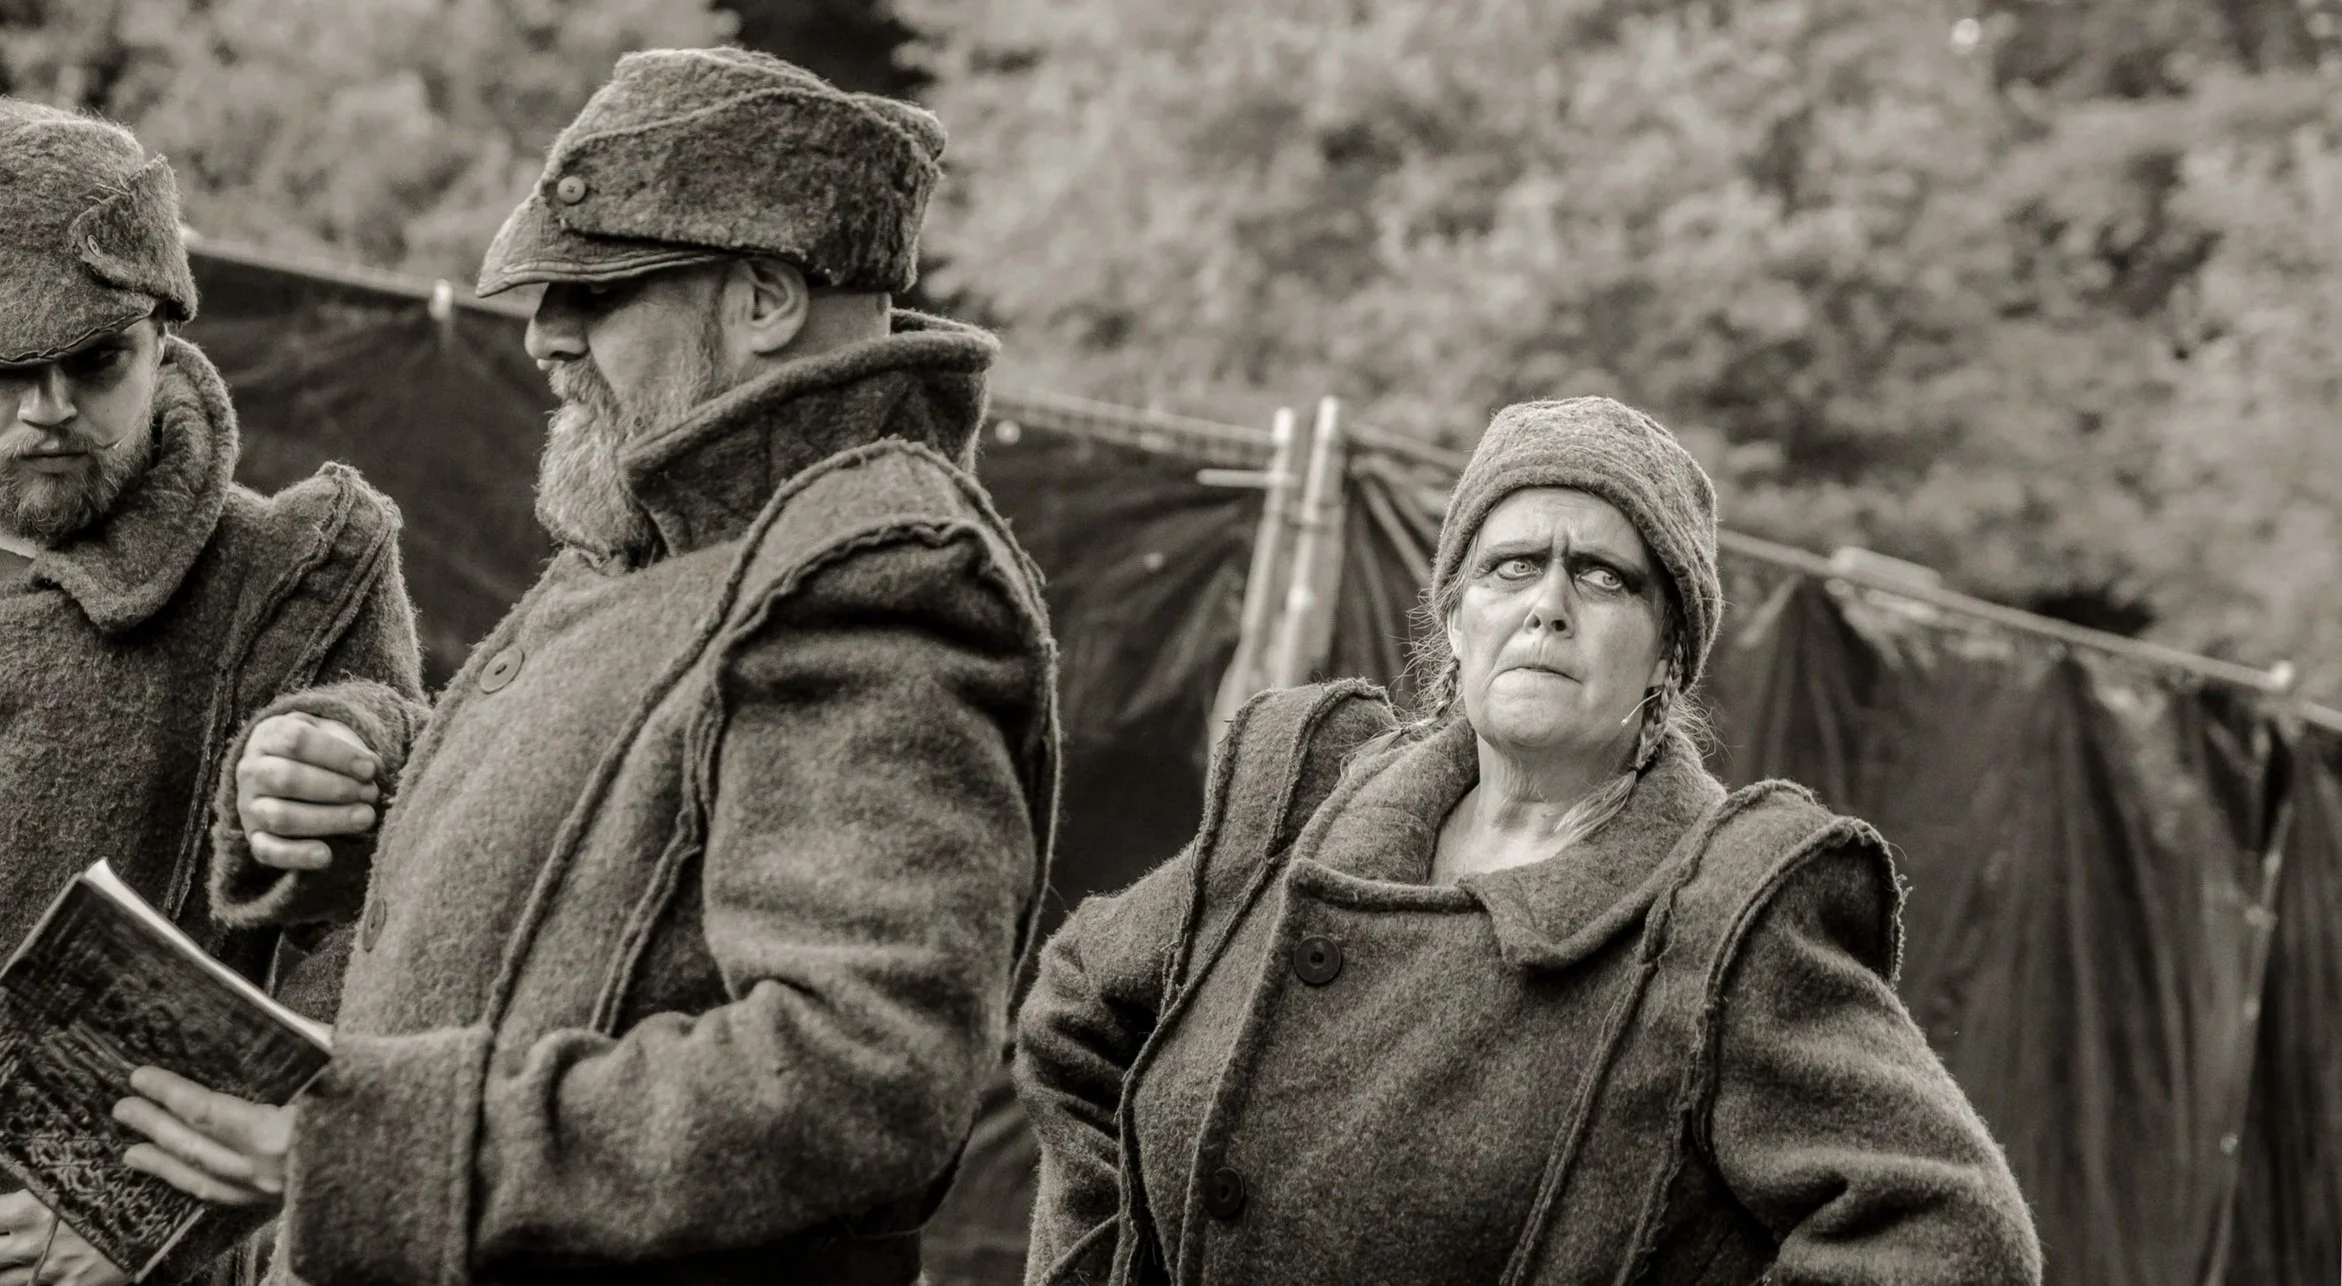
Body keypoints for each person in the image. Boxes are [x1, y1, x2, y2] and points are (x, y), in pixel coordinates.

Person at [109, 48, 1062, 1285]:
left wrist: (370, 1145)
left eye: (595, 292)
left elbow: (860, 1076)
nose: (543, 335)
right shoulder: (668, 535)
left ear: (765, 297)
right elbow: (620, 864)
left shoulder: (871, 580)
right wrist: (363, 784)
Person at [1014, 398, 2044, 1285]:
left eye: (1602, 577)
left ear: (1666, 653)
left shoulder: (1722, 913)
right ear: (1456, 618)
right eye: (1510, 565)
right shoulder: (1302, 803)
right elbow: (1074, 1016)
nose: (1546, 605)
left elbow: (1951, 1233)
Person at [0, 100, 422, 1285]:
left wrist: (140, 1212)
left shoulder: (284, 580)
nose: (50, 409)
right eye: (7, 367)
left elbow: (366, 957)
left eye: (95, 362)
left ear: (162, 338)